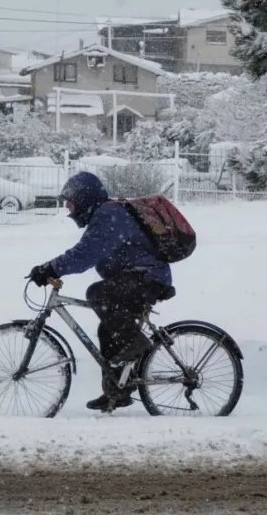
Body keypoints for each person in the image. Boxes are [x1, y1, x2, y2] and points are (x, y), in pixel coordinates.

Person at [28, 171, 174, 411]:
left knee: (98, 294)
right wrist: (53, 268)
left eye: (72, 204)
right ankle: (118, 390)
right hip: (140, 277)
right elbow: (87, 251)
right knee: (107, 329)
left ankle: (137, 344)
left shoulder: (108, 214)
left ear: (85, 199)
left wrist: (50, 268)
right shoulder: (105, 214)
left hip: (148, 277)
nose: (70, 211)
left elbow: (84, 255)